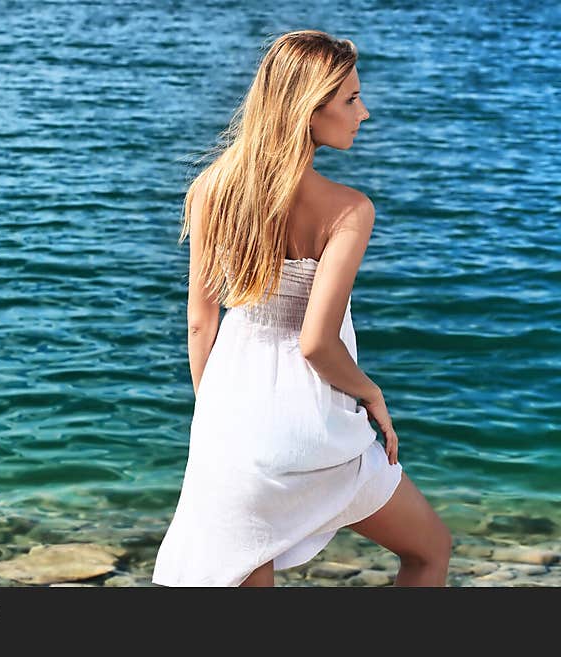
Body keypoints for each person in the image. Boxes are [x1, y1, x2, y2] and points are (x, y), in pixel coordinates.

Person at [151, 30, 452, 587]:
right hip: (316, 431)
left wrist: (216, 421)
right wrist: (371, 393)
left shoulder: (211, 190)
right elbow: (316, 343)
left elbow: (200, 323)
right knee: (430, 550)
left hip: (234, 428)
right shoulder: (349, 210)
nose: (365, 111)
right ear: (308, 111)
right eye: (350, 100)